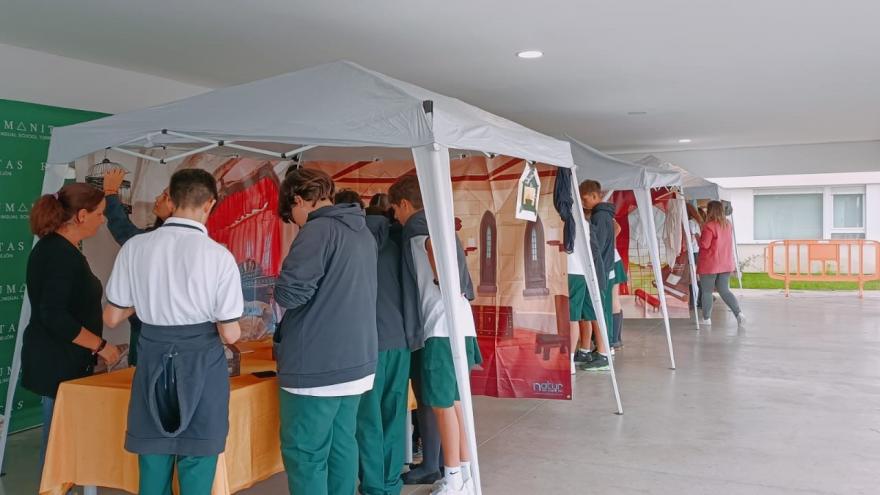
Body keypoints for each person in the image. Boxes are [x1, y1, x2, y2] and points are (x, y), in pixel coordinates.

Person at [103, 169, 243, 494]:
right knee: (197, 460)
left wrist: (151, 297)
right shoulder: (218, 256)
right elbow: (231, 334)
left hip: (152, 357)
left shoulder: (135, 248)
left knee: (153, 462)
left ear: (171, 197)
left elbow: (111, 317)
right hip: (201, 364)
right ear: (210, 204)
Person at [274, 168, 378, 495]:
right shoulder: (360, 230)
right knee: (341, 444)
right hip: (356, 359)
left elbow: (291, 293)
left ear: (299, 199)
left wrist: (275, 288)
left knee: (305, 452)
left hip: (318, 364)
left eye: (292, 216)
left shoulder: (318, 230)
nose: (296, 224)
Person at [389, 175, 481, 495]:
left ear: (404, 204)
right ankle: (466, 474)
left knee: (442, 405)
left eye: (395, 210)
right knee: (455, 404)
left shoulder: (416, 229)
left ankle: (453, 477)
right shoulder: (438, 224)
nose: (395, 218)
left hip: (441, 328)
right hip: (460, 323)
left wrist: (443, 279)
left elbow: (434, 253)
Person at [23, 183, 121, 473]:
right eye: (100, 214)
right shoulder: (57, 254)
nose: (103, 220)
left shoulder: (60, 249)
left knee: (65, 443)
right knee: (59, 447)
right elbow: (54, 315)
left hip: (66, 361)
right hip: (57, 364)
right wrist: (102, 346)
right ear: (81, 215)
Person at [344, 194, 412, 495]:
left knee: (367, 419)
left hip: (364, 343)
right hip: (400, 340)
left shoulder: (353, 244)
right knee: (394, 415)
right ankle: (390, 484)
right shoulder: (399, 243)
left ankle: (373, 486)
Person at [101, 168, 175, 365]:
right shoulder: (157, 237)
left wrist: (110, 193)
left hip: (152, 335)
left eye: (165, 195)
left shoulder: (152, 242)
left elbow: (125, 232)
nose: (157, 198)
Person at [571, 180, 616, 372]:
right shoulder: (602, 216)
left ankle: (604, 353)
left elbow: (594, 246)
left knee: (596, 313)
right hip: (598, 269)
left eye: (585, 198)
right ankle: (585, 349)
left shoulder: (600, 217)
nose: (583, 202)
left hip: (597, 270)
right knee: (588, 313)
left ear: (596, 195)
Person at [697, 200, 745, 326]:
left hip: (710, 264)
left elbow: (705, 245)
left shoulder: (709, 226)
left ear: (711, 210)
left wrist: (697, 237)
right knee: (724, 291)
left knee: (707, 291)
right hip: (726, 263)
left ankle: (706, 319)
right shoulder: (728, 224)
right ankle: (738, 313)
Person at [610, 219, 626, 350]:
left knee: (613, 300)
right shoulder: (605, 213)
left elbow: (617, 228)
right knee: (614, 300)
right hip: (613, 259)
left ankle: (614, 340)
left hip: (612, 260)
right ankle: (616, 339)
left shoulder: (601, 213)